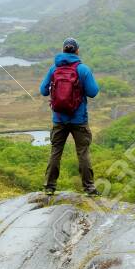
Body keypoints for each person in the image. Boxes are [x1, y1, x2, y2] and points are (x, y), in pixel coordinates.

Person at [40, 38, 99, 195]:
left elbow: (43, 90)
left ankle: (49, 187)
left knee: (56, 151)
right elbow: (93, 92)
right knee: (83, 152)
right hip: (79, 119)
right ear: (77, 51)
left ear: (63, 50)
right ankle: (89, 188)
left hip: (59, 119)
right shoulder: (83, 69)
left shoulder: (54, 69)